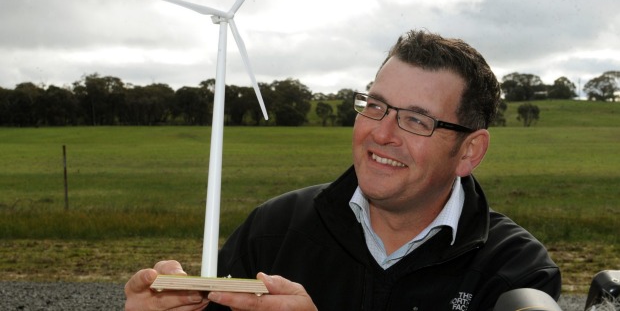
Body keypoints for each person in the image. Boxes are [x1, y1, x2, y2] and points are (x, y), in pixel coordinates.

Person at [125, 29, 561, 311]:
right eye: (375, 106)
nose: (381, 133)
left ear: (469, 151)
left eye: (415, 120)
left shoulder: (514, 274)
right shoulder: (274, 230)